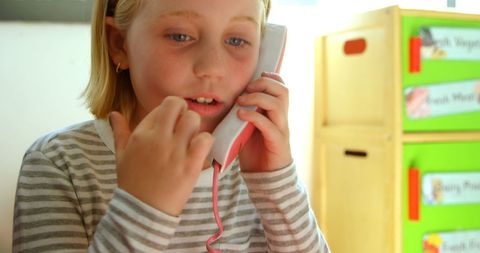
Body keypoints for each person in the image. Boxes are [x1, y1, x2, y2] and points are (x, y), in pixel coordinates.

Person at [13, 0, 331, 252]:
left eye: (237, 40)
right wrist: (142, 209)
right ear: (119, 43)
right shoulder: (59, 163)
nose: (212, 69)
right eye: (180, 36)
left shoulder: (260, 173)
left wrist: (276, 184)